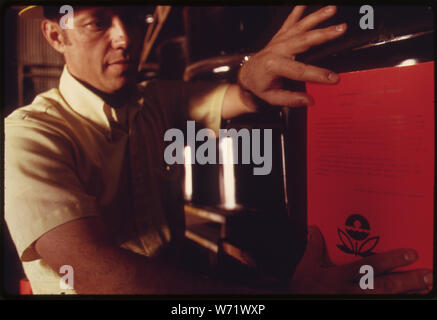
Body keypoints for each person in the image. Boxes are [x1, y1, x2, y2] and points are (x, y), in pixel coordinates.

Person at [5, 5, 432, 294]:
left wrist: (253, 72)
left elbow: (240, 94)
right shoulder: (29, 136)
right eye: (98, 21)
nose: (124, 37)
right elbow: (94, 272)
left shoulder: (152, 100)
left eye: (134, 16)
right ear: (54, 35)